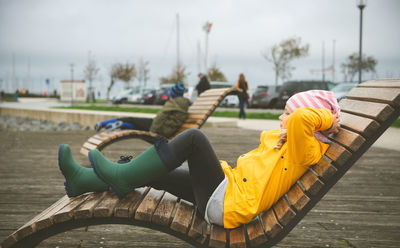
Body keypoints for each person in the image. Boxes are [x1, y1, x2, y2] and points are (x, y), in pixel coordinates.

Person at [58, 90, 340, 229]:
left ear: (311, 126)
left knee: (193, 138)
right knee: (150, 172)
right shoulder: (287, 144)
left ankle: (121, 176)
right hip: (224, 192)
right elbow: (299, 121)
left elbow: (304, 118)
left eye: (286, 114)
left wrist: (328, 120)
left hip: (227, 203)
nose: (282, 118)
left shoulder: (307, 151)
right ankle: (82, 180)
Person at [94, 82, 190, 138]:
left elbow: (161, 116)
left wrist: (153, 131)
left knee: (132, 120)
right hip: (163, 128)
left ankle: (104, 123)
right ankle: (120, 124)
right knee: (135, 123)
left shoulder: (173, 103)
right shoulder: (183, 104)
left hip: (158, 129)